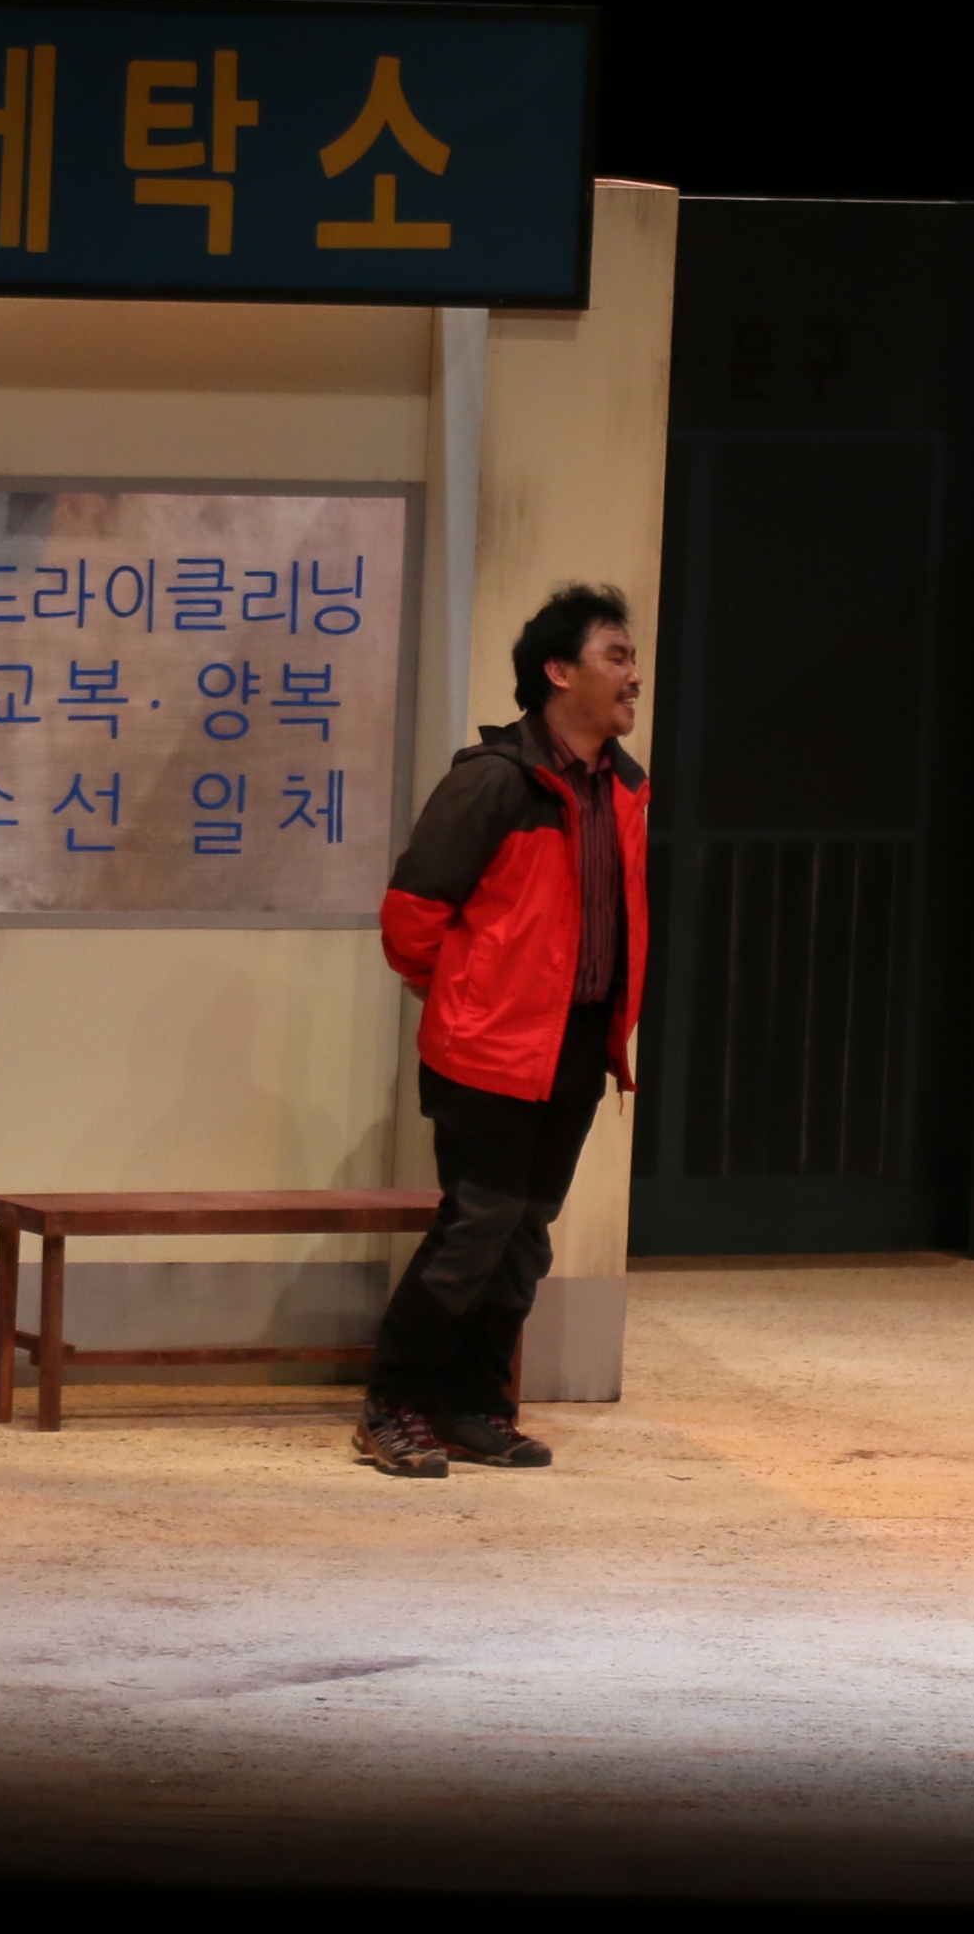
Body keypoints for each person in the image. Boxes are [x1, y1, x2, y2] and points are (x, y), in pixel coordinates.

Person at [355, 581, 651, 1478]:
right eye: (615, 656)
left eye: (632, 657)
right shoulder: (491, 780)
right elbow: (410, 915)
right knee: (476, 1228)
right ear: (559, 672)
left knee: (524, 1236)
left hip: (577, 1044)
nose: (633, 675)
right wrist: (461, 996)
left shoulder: (621, 786)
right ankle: (395, 1404)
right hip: (486, 1046)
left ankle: (474, 1405)